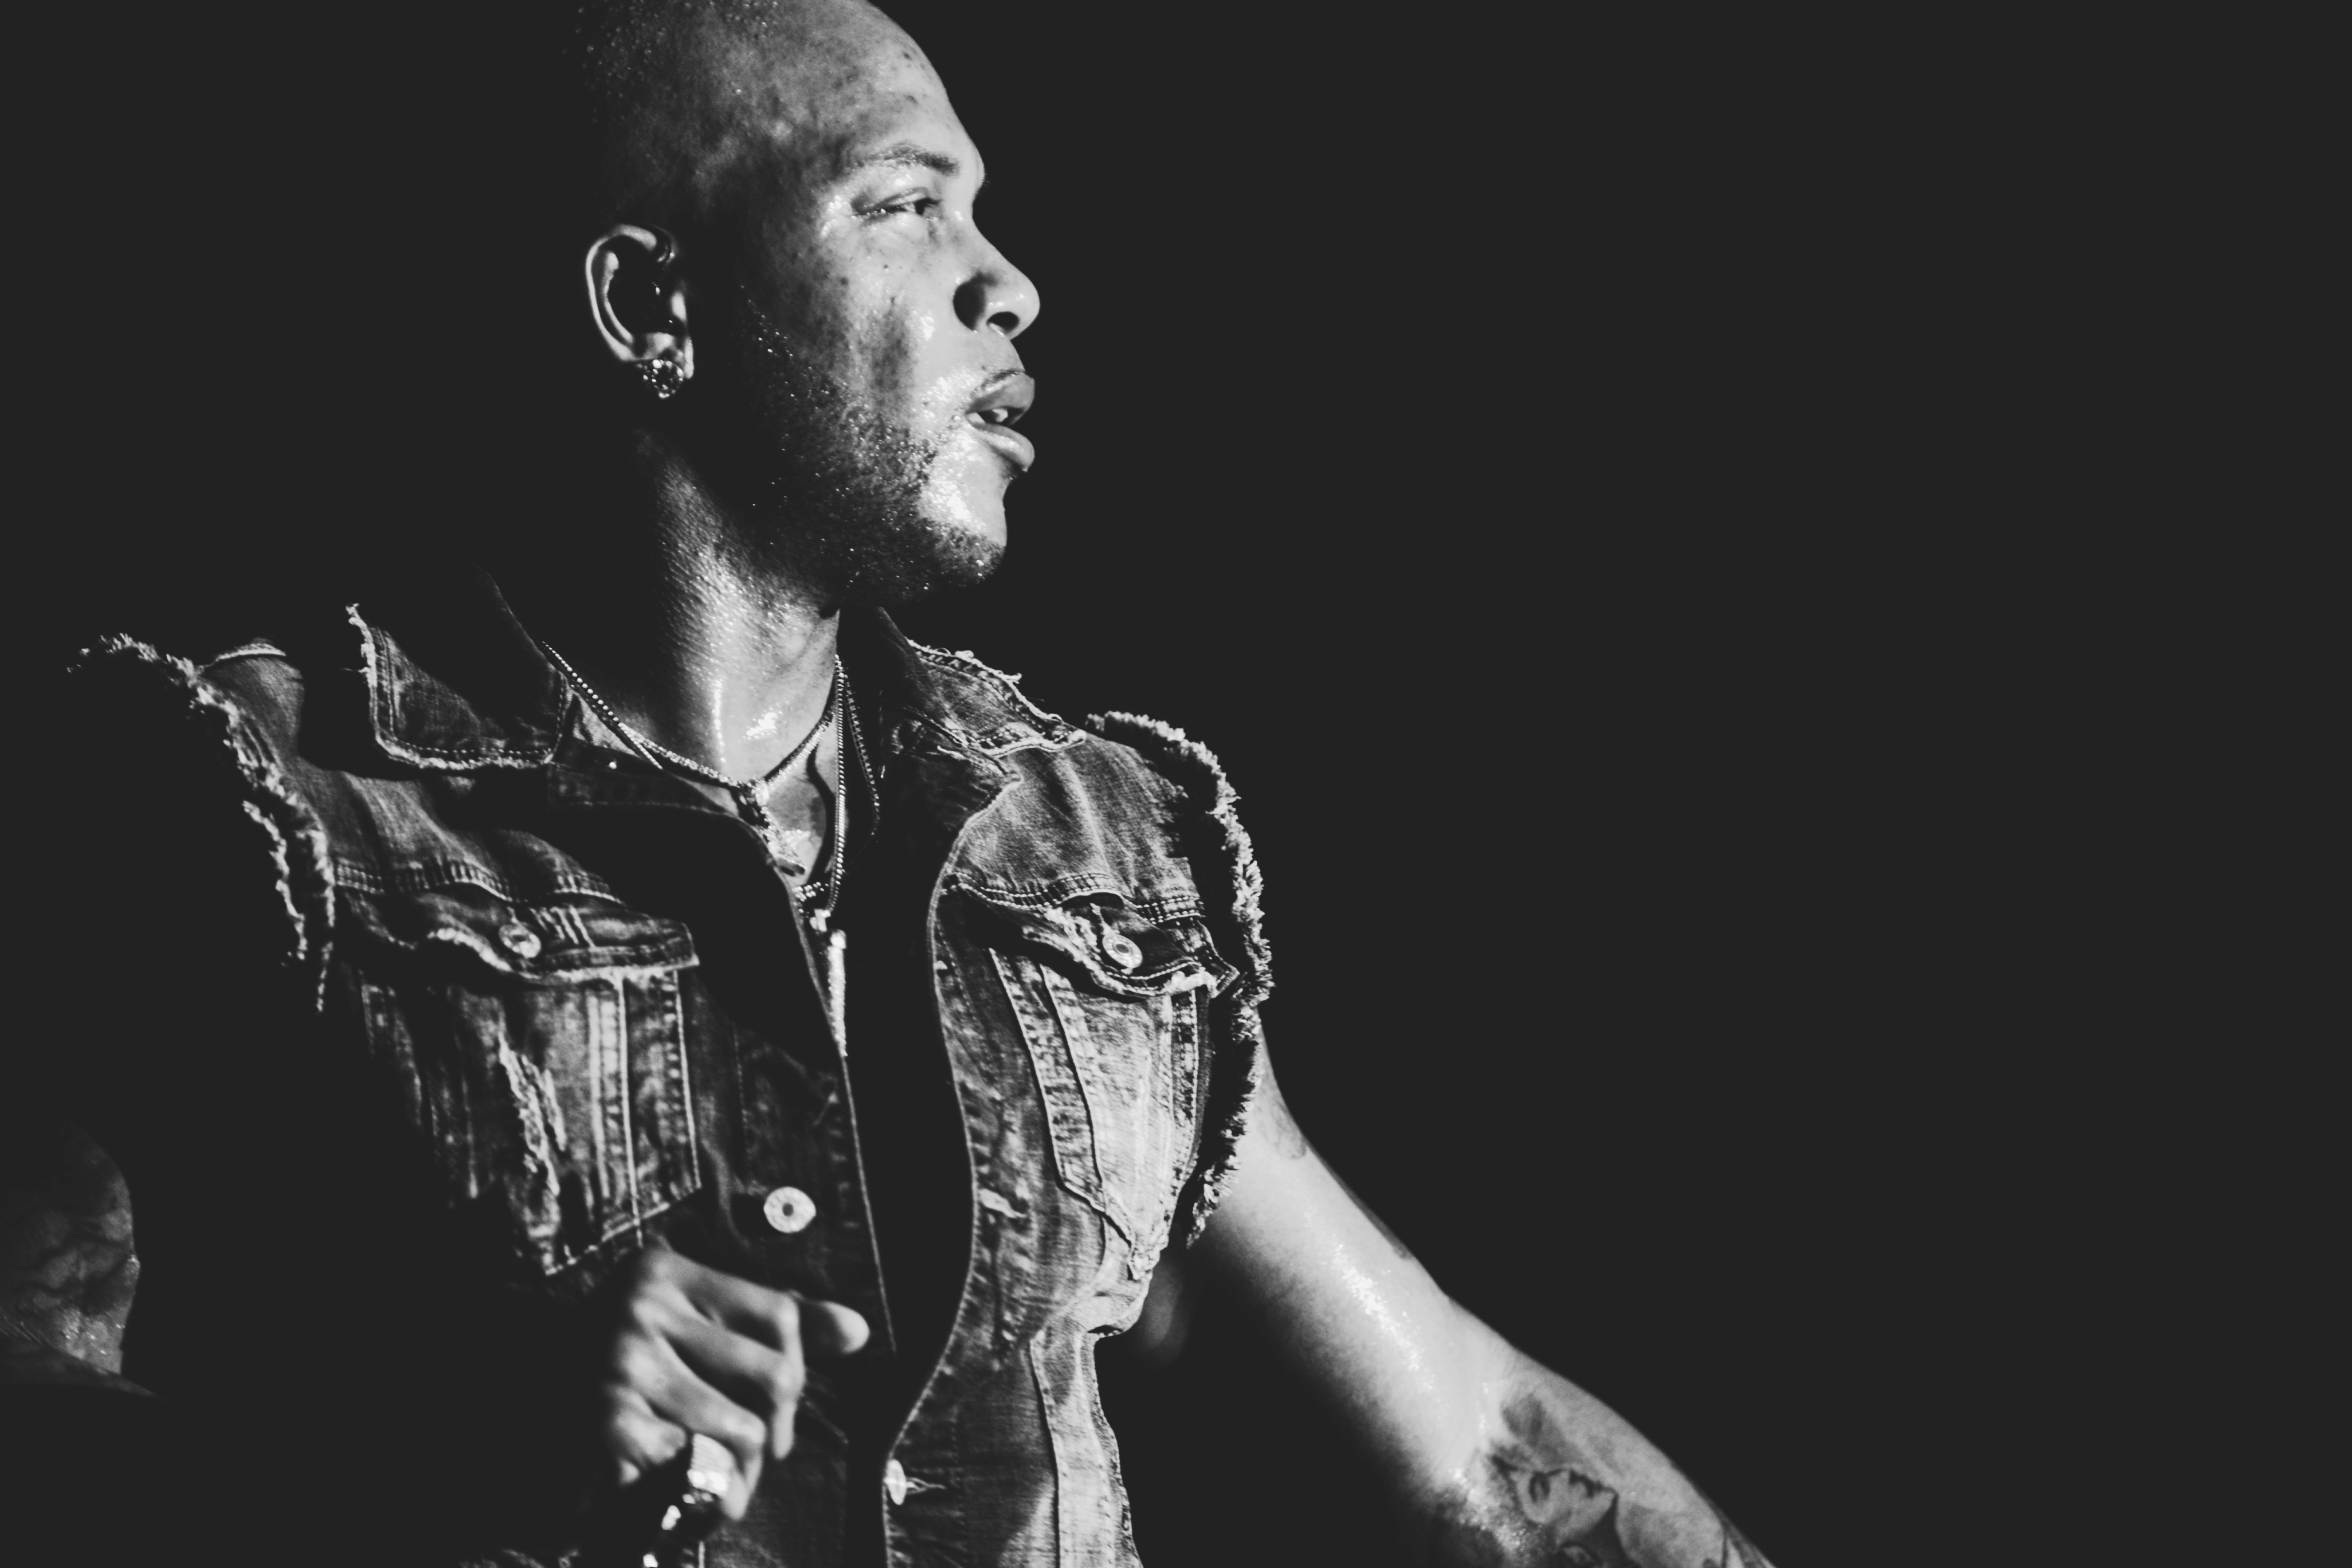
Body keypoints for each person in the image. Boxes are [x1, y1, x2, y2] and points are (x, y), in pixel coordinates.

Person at [2, 3, 1775, 1563]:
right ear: (650, 306)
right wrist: (408, 1458)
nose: (1009, 283)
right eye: (909, 205)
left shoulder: (1090, 848)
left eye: (982, 213)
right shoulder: (249, 804)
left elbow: (1472, 1448)